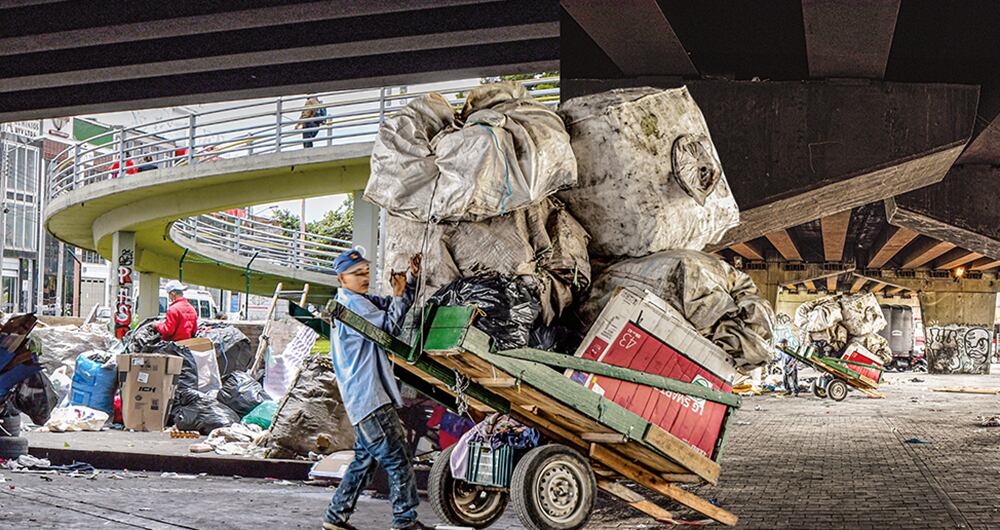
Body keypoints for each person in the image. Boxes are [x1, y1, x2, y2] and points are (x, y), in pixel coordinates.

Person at [324, 249, 430, 530]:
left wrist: (410, 280)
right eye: (357, 274)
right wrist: (398, 294)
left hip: (361, 399)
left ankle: (336, 517)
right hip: (370, 397)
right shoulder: (353, 307)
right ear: (341, 278)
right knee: (399, 459)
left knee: (364, 461)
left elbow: (390, 306)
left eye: (366, 272)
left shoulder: (360, 301)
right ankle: (404, 521)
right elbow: (390, 328)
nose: (364, 278)